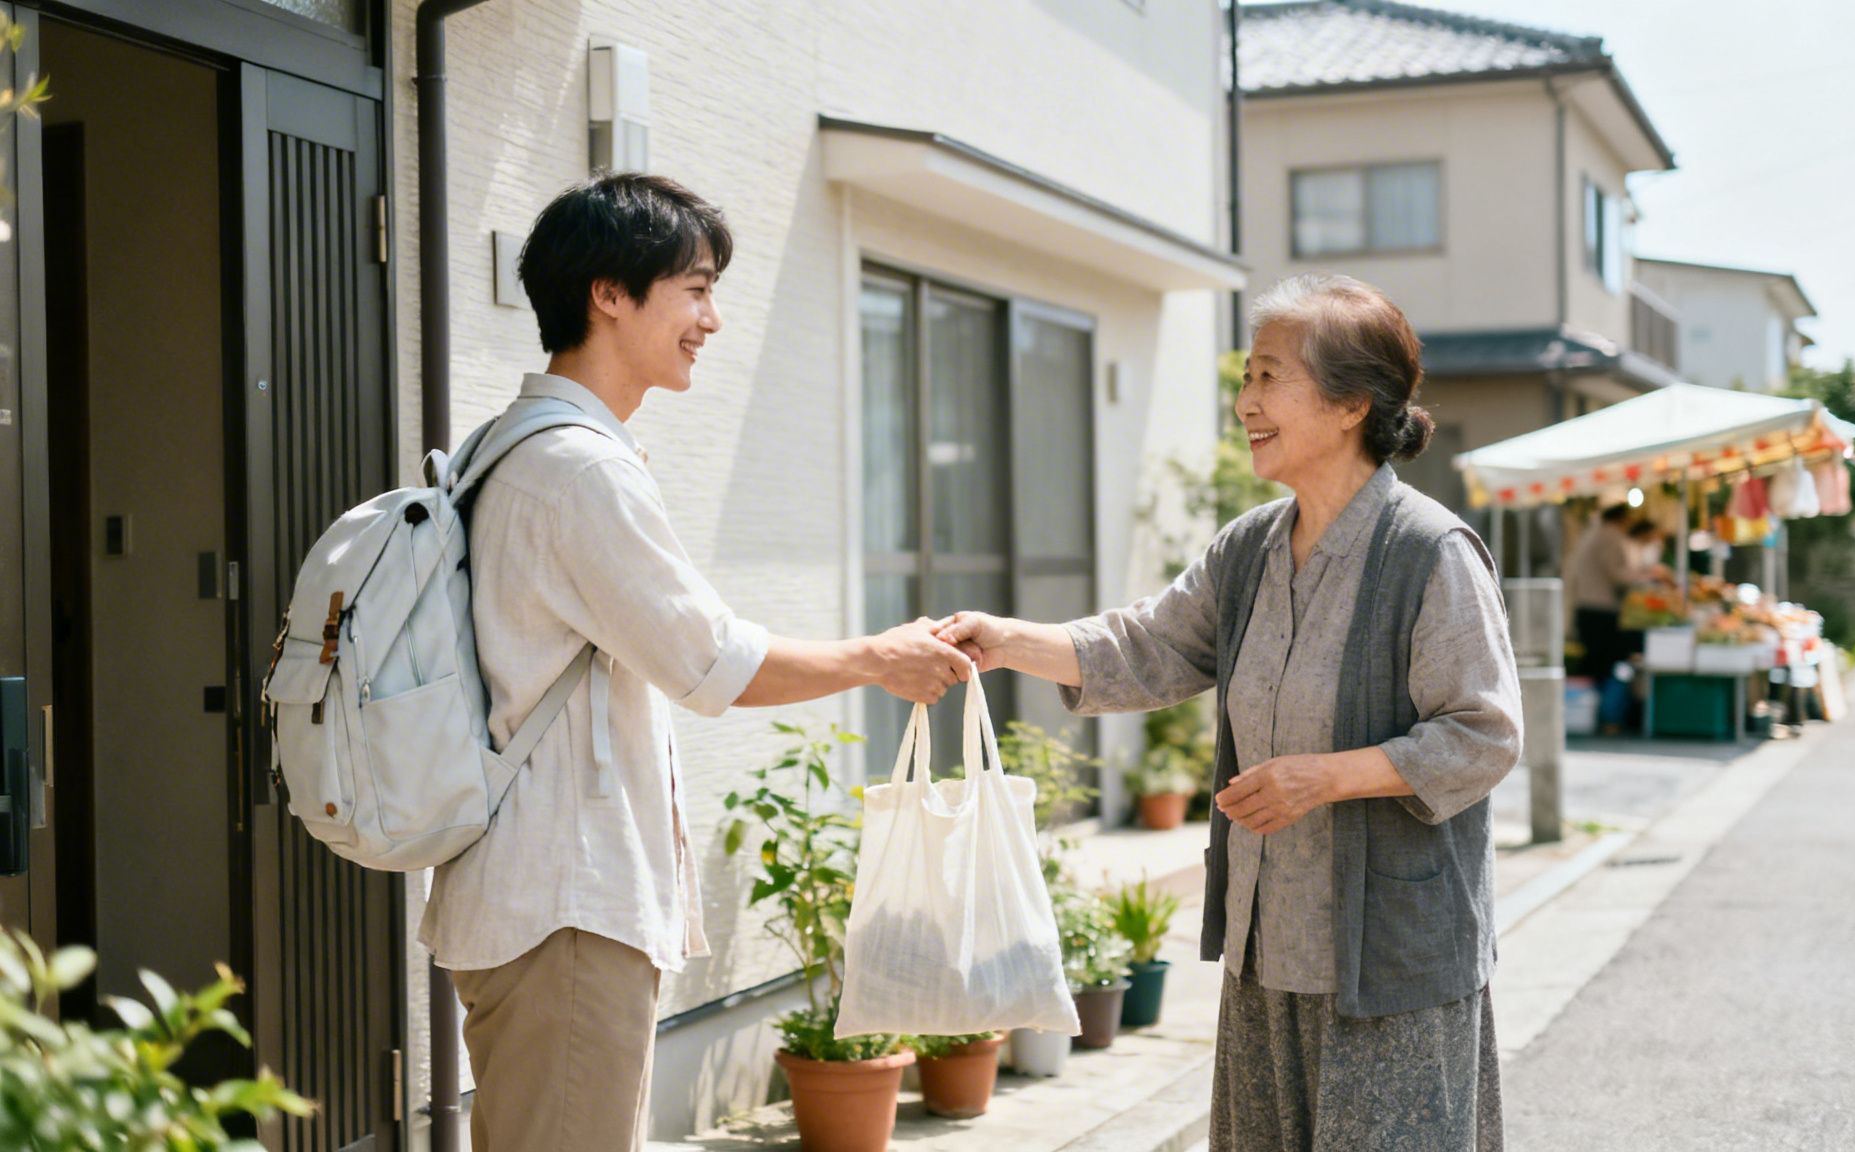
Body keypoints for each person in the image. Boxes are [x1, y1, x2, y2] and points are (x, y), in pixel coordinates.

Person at [418, 173, 972, 1152]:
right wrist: (876, 659)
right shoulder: (578, 469)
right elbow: (712, 663)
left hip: (536, 899)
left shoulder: (513, 446)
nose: (711, 319)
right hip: (567, 910)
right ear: (609, 293)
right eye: (695, 288)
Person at [940, 273, 1522, 1150]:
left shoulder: (1430, 553)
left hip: (1393, 961)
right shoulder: (1249, 547)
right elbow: (1149, 646)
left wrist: (1323, 779)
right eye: (1246, 377)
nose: (1244, 400)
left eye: (1268, 377)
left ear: (1350, 405)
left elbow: (1483, 733)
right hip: (1265, 954)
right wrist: (1006, 640)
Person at [1571, 502, 1639, 728]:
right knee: (1604, 665)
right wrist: (1644, 578)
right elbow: (1617, 574)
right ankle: (1606, 719)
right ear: (1622, 518)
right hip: (1600, 608)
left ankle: (1592, 717)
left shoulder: (1593, 533)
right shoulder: (1610, 537)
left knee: (1593, 662)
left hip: (1587, 605)